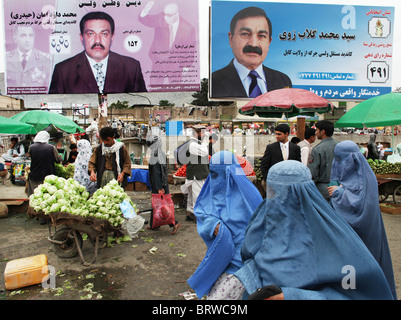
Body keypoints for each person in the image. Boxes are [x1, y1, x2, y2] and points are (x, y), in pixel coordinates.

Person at [235, 160, 395, 300]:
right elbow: (249, 256)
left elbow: (355, 291)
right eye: (270, 192)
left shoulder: (334, 239)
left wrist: (292, 297)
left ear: (301, 194)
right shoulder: (264, 218)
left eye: (277, 193)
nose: (272, 199)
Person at [187, 151, 263, 299]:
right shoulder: (212, 187)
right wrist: (212, 225)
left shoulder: (250, 196)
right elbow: (201, 211)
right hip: (219, 260)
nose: (213, 179)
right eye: (212, 173)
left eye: (217, 174)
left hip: (243, 265)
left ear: (230, 173)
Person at [327, 141, 397, 299]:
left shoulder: (363, 178)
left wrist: (339, 194)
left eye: (340, 159)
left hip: (363, 235)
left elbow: (358, 208)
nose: (337, 163)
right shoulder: (363, 175)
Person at [49, 11, 147, 94]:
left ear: (112, 37)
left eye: (104, 34)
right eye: (91, 34)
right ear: (81, 37)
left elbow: (144, 106)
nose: (97, 41)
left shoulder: (131, 68)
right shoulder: (63, 71)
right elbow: (53, 111)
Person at [211, 6, 292, 98]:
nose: (253, 44)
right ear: (231, 39)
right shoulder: (213, 82)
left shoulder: (283, 81)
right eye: (245, 34)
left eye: (261, 36)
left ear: (269, 42)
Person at [139, 1, 196, 85]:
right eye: (164, 14)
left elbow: (191, 48)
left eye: (168, 15)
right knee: (154, 88)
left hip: (176, 64)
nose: (165, 17)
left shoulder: (188, 29)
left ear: (177, 14)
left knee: (176, 89)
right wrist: (146, 9)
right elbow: (144, 20)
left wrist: (186, 67)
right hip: (159, 60)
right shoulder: (161, 18)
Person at [146, 134, 181, 235]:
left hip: (159, 185)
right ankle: (154, 224)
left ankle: (174, 223)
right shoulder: (160, 153)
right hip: (162, 184)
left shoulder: (155, 154)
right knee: (157, 204)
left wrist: (159, 188)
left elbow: (157, 173)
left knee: (162, 206)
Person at [180, 125, 209, 221]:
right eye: (203, 133)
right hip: (196, 174)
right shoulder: (193, 144)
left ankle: (190, 214)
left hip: (197, 173)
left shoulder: (196, 143)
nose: (204, 135)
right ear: (197, 133)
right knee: (198, 195)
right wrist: (205, 142)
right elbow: (205, 152)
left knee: (192, 196)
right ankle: (198, 215)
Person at [307, 120, 338, 201]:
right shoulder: (340, 146)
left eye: (317, 130)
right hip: (339, 187)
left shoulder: (317, 149)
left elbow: (313, 173)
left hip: (323, 189)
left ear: (323, 131)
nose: (316, 133)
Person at [26, 131, 62, 197]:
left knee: (35, 195)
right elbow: (58, 160)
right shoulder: (51, 147)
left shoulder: (31, 147)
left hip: (35, 175)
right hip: (48, 176)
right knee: (46, 196)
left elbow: (31, 158)